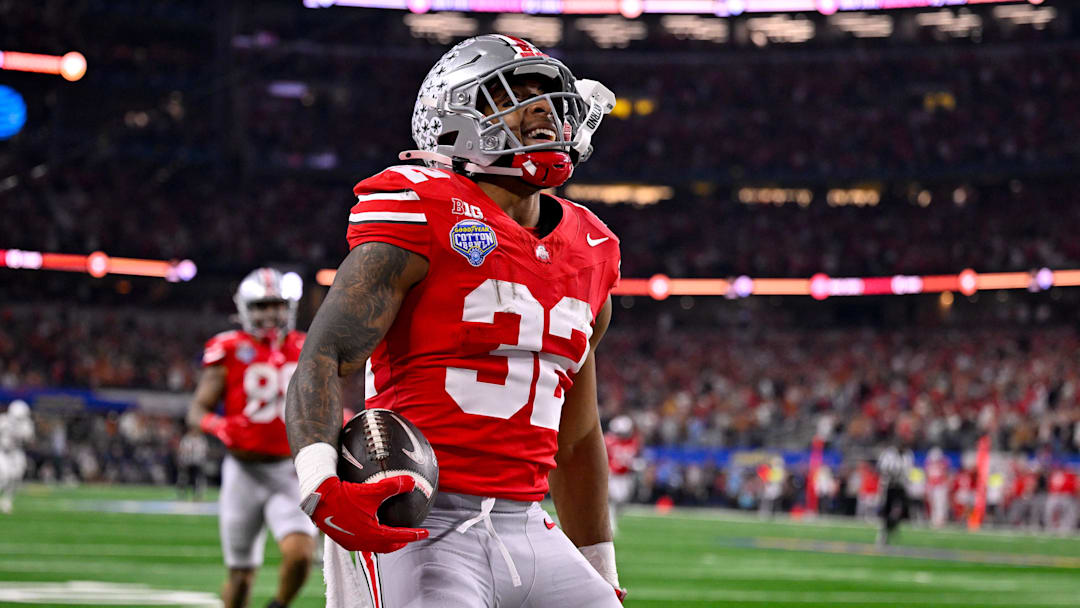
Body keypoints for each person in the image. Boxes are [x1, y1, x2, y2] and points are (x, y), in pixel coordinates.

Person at [285, 34, 624, 608]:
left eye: (548, 95)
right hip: (421, 520)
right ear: (454, 117)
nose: (543, 108)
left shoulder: (591, 247)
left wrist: (599, 568)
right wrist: (321, 483)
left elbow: (578, 437)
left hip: (528, 525)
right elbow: (325, 354)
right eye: (517, 93)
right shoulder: (418, 206)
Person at [187, 268, 316, 608]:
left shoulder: (307, 346)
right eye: (261, 306)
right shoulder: (227, 348)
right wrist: (218, 425)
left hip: (290, 471)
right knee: (241, 577)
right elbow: (197, 410)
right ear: (244, 308)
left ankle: (277, 605)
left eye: (276, 305)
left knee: (302, 555)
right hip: (243, 473)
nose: (270, 314)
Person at [604, 415, 642, 532]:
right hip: (611, 474)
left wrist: (635, 464)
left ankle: (611, 520)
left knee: (623, 501)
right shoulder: (608, 440)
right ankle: (610, 525)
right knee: (612, 500)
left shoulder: (633, 441)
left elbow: (631, 457)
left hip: (625, 476)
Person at [0, 400, 34, 514]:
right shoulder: (3, 421)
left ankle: (7, 500)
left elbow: (29, 440)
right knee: (5, 476)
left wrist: (23, 435)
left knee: (17, 476)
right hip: (2, 451)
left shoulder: (27, 425)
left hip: (16, 451)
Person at [876, 442, 914, 546]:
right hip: (889, 485)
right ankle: (884, 532)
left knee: (902, 510)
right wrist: (894, 472)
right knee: (886, 510)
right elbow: (882, 468)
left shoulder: (908, 455)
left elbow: (908, 471)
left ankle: (892, 526)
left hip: (901, 486)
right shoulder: (889, 454)